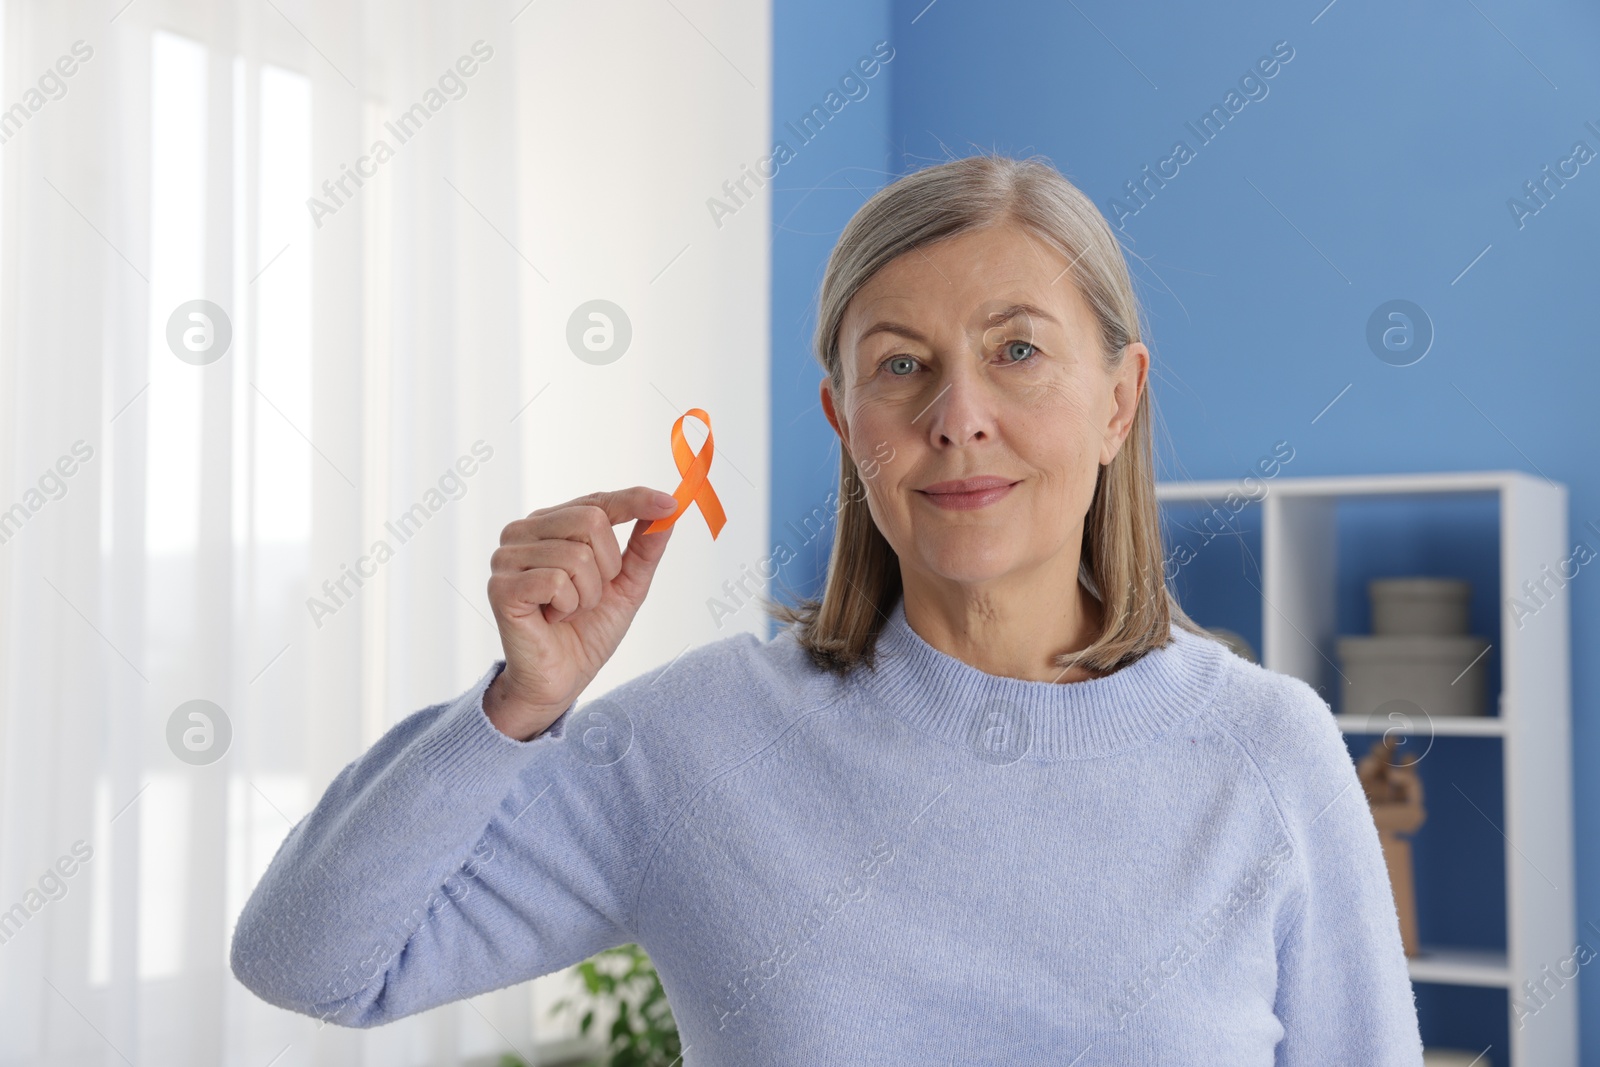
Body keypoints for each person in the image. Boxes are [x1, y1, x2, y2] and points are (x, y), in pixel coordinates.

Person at [230, 153, 1425, 1065]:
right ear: (844, 424)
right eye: (901, 364)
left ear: (1120, 399)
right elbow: (313, 962)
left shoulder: (1268, 751)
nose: (957, 413)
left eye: (1016, 350)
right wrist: (516, 705)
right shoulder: (698, 741)